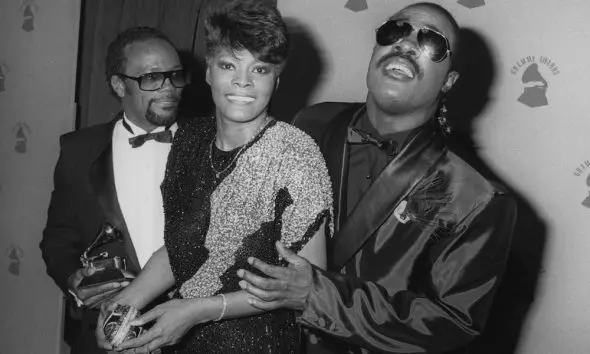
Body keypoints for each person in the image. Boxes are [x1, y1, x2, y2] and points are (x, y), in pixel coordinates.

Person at [237, 3, 518, 354]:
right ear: (375, 50)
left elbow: (452, 322)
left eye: (432, 42)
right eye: (394, 31)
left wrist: (318, 296)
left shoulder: (478, 197)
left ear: (449, 80)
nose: (406, 44)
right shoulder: (310, 123)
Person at [95, 1, 332, 353]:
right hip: (181, 339)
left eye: (260, 69)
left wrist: (199, 311)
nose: (242, 81)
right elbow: (180, 251)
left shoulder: (296, 153)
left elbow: (306, 285)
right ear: (208, 72)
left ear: (276, 80)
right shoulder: (189, 141)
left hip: (259, 343)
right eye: (228, 65)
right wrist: (122, 304)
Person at [40, 26, 190, 354]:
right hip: (106, 337)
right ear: (119, 85)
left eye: (174, 75)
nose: (169, 89)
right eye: (152, 77)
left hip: (195, 337)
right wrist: (73, 279)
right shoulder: (78, 150)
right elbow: (57, 238)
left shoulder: (209, 145)